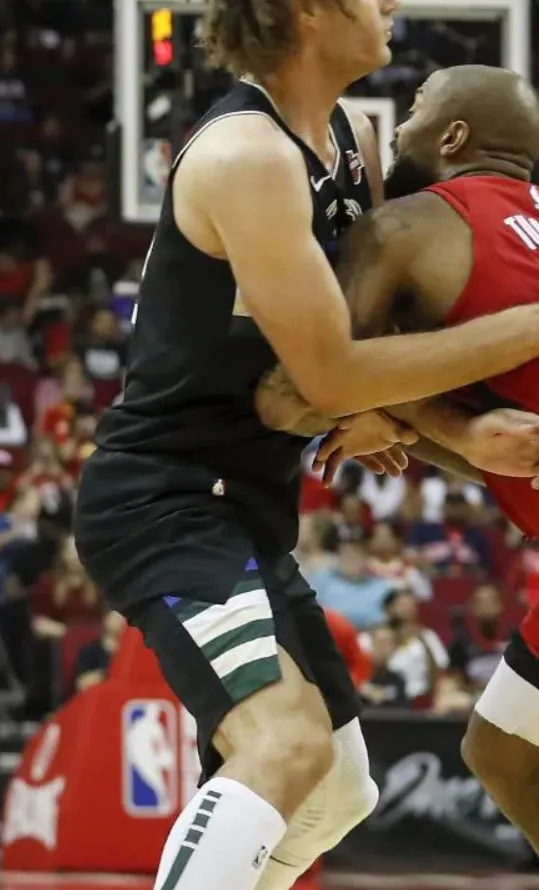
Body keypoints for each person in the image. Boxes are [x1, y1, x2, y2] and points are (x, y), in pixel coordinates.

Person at [70, 6, 539, 890]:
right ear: (307, 11)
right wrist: (526, 329)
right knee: (283, 745)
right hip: (164, 496)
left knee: (339, 791)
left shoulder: (351, 138)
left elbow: (364, 364)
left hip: (248, 500)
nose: (391, 7)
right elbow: (327, 379)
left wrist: (441, 426)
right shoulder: (244, 155)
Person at [252, 65, 539, 853]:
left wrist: (394, 412)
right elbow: (512, 450)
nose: (400, 125)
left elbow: (299, 392)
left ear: (453, 136)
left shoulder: (411, 225)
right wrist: (430, 431)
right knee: (499, 751)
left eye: (414, 109)